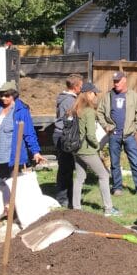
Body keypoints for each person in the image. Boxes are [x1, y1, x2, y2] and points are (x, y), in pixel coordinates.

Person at [0, 80, 44, 215]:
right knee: (3, 181)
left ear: (14, 95)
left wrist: (35, 151)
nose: (3, 98)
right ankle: (6, 207)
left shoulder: (21, 110)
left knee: (13, 181)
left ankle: (14, 208)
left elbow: (29, 132)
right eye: (2, 95)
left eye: (7, 96)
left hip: (12, 152)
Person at [70, 82, 120, 216]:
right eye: (94, 93)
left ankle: (76, 208)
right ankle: (109, 209)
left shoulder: (75, 109)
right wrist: (98, 147)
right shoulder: (89, 111)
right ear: (88, 94)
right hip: (87, 150)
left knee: (80, 177)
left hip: (76, 149)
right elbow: (91, 135)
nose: (96, 96)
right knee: (103, 175)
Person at [97, 71, 137, 196]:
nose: (116, 84)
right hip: (113, 135)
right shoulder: (108, 96)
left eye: (118, 81)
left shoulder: (133, 96)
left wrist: (135, 129)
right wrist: (106, 126)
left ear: (124, 80)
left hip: (129, 135)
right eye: (114, 81)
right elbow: (99, 112)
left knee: (135, 161)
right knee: (115, 163)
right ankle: (117, 188)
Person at [53, 73, 83, 208]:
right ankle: (62, 199)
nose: (81, 89)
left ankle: (68, 197)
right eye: (81, 86)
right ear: (75, 86)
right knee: (65, 169)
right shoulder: (69, 101)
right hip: (64, 136)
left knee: (67, 168)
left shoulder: (65, 98)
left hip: (62, 134)